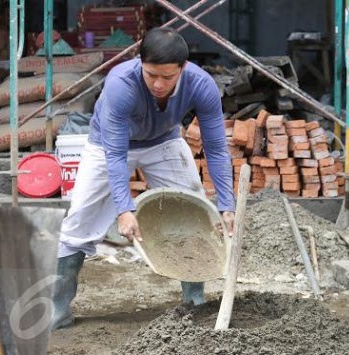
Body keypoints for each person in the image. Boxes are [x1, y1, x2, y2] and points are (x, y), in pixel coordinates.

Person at [51, 27, 235, 330]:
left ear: (183, 69)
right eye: (151, 75)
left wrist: (227, 204)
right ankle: (57, 311)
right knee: (79, 225)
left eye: (168, 77)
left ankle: (194, 304)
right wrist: (125, 210)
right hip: (106, 146)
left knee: (193, 212)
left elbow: (216, 148)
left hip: (163, 142)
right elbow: (115, 155)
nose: (158, 84)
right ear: (140, 63)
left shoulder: (201, 85)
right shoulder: (121, 84)